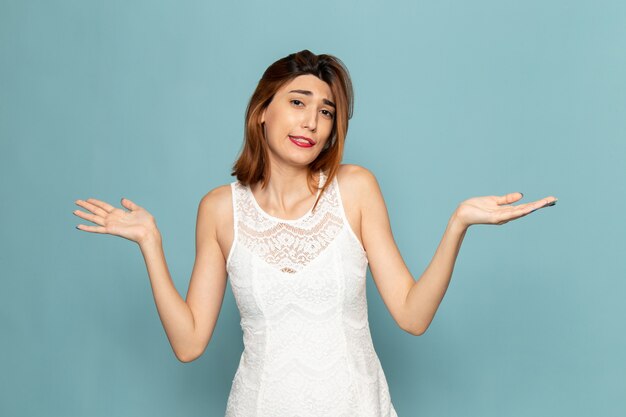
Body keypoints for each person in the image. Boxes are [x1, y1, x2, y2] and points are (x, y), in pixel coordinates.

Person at [73, 50, 557, 416]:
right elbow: (189, 344)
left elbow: (412, 315)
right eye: (298, 102)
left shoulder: (356, 188)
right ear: (263, 110)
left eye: (326, 111)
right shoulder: (220, 210)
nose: (311, 120)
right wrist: (151, 245)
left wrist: (458, 225)